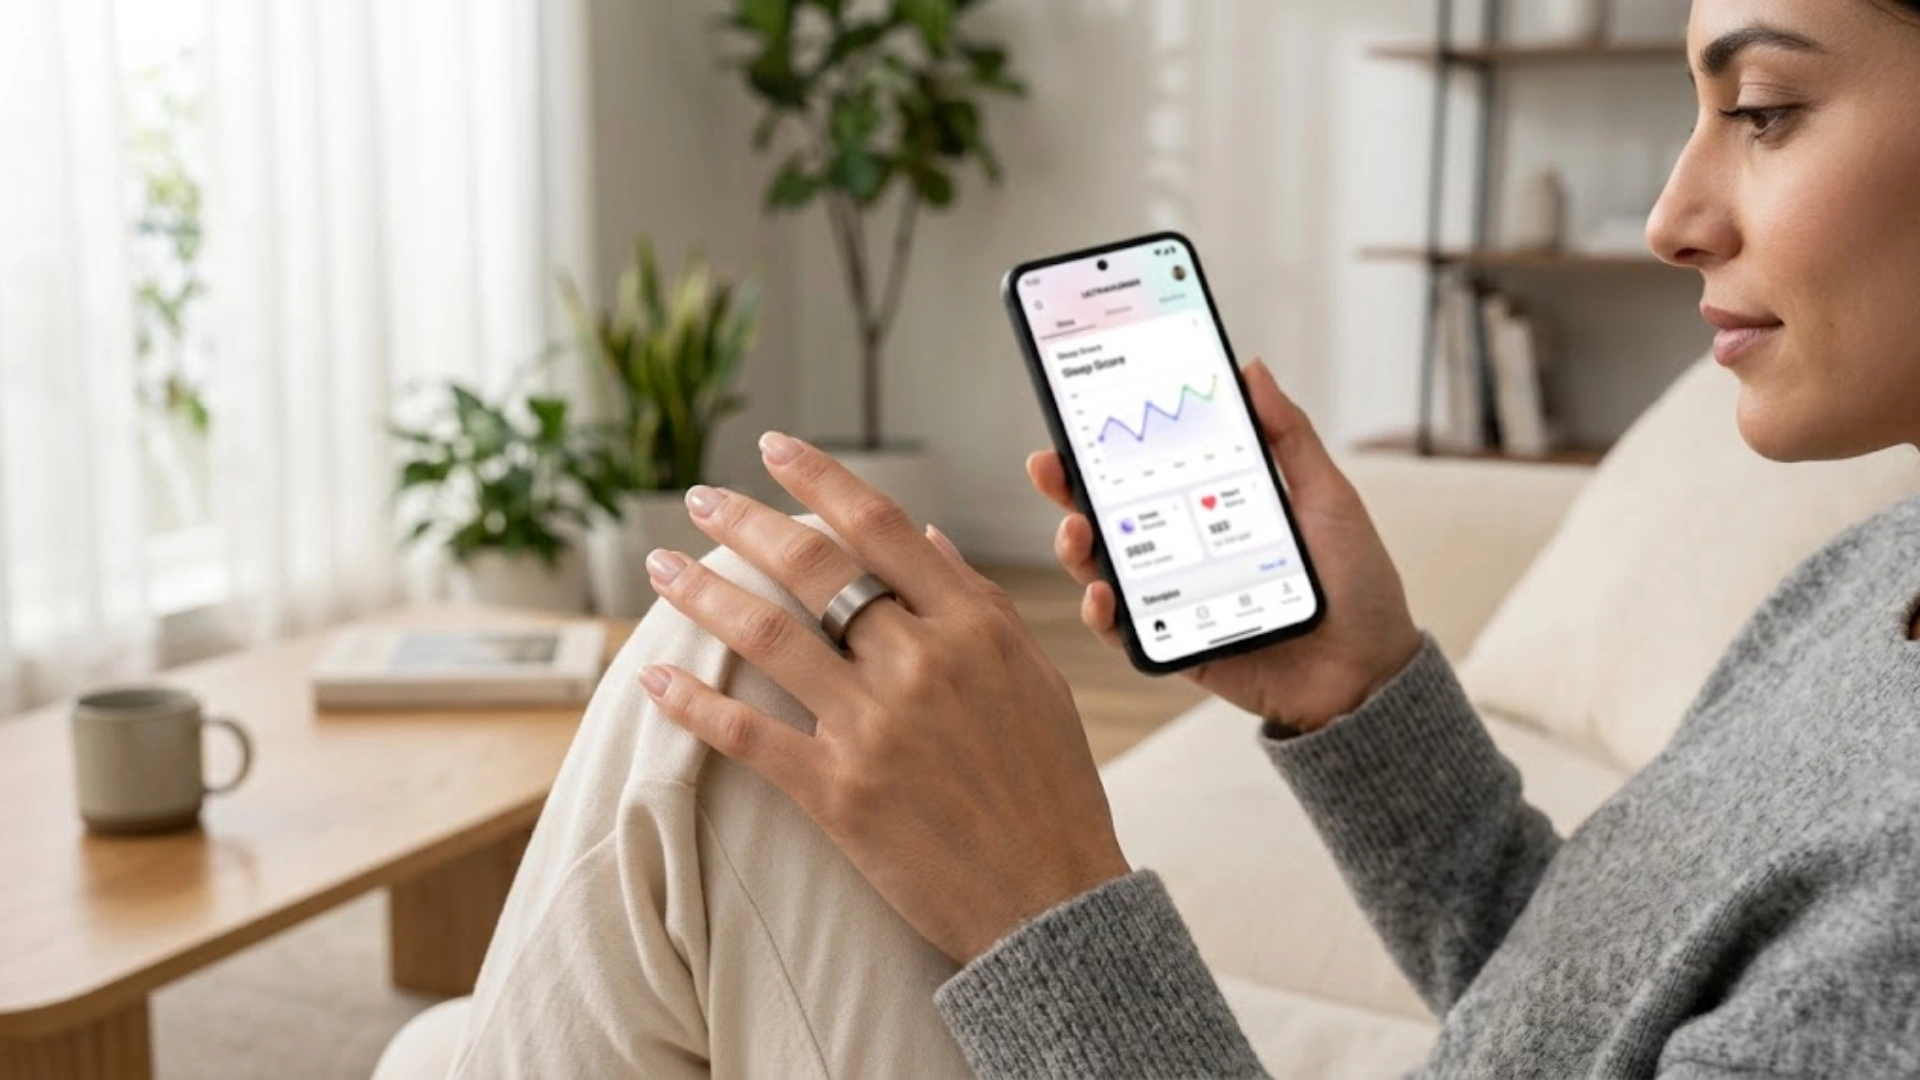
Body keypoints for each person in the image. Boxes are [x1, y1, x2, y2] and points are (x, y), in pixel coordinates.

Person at [448, 2, 1920, 1075]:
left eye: (1766, 108)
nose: (1671, 215)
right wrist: (1361, 695)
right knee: (768, 637)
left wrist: (1048, 892)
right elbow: (1567, 1003)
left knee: (748, 674)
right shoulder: (1875, 570)